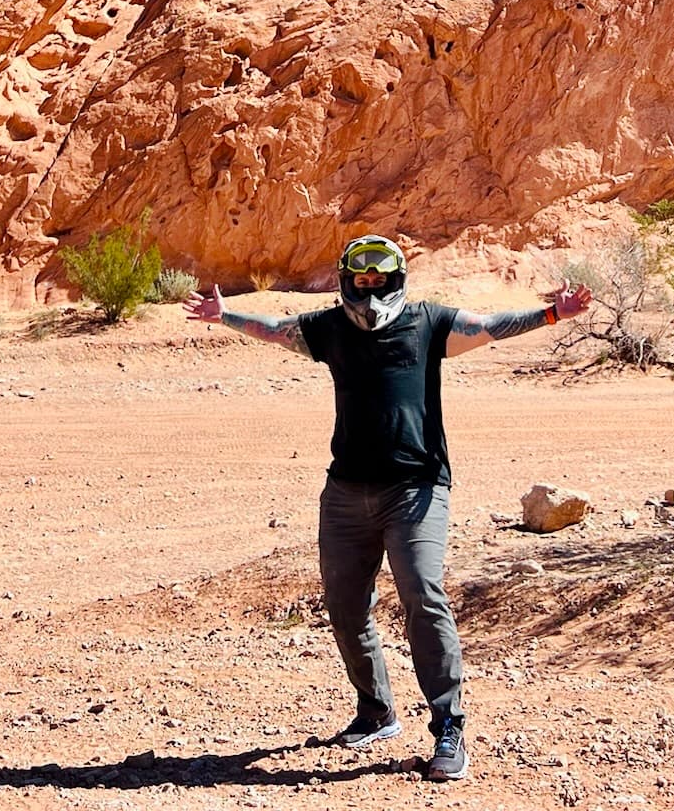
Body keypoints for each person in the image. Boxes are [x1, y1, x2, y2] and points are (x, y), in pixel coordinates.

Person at [185, 235, 592, 783]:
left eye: (380, 281)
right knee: (346, 606)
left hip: (416, 489)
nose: (371, 290)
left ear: (397, 280)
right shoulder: (329, 328)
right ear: (348, 281)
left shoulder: (429, 323)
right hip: (346, 492)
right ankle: (376, 710)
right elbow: (277, 331)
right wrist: (226, 315)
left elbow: (492, 326)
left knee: (423, 596)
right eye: (362, 281)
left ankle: (449, 728)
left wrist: (551, 313)